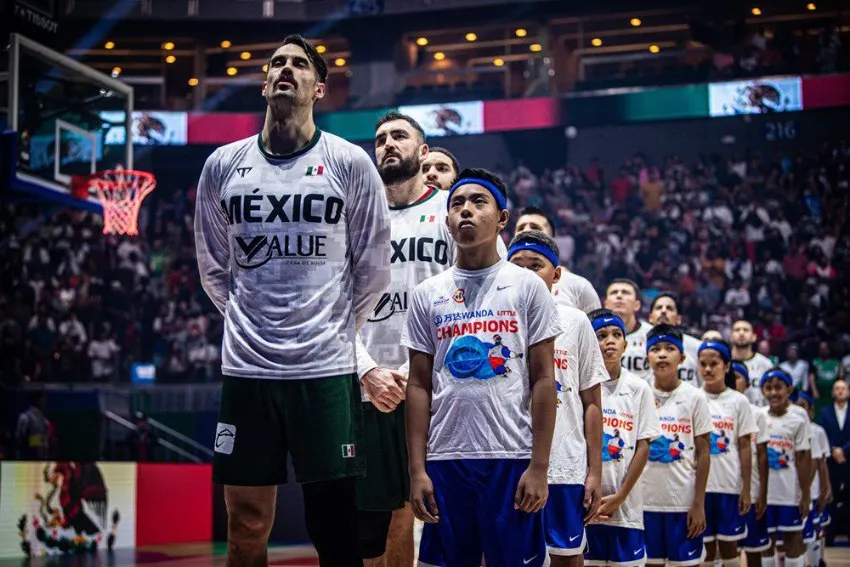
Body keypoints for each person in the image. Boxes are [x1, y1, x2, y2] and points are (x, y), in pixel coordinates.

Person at [194, 34, 392, 567]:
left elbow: (373, 271)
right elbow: (214, 268)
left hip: (326, 372)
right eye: (276, 62)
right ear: (264, 84)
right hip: (247, 371)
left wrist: (331, 330)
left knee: (335, 531)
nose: (286, 69)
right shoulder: (221, 165)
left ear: (318, 87)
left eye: (299, 64)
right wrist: (249, 323)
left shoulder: (350, 163)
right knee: (245, 524)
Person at [401, 168, 562, 567]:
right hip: (445, 459)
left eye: (478, 202)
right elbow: (418, 386)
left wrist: (539, 466)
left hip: (510, 457)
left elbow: (544, 380)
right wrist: (417, 469)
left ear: (502, 218)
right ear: (447, 218)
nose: (466, 211)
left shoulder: (527, 287)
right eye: (457, 204)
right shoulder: (426, 294)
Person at [507, 230, 606, 565]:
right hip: (511, 461)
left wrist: (594, 471)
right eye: (517, 265)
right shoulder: (497, 320)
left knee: (567, 558)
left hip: (566, 466)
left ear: (556, 274)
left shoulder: (576, 321)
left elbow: (592, 402)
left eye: (536, 265)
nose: (525, 273)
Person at [583, 308, 661, 567]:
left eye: (617, 334)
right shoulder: (580, 385)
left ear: (626, 343)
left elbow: (643, 447)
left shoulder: (639, 388)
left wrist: (620, 496)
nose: (610, 341)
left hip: (626, 508)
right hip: (584, 506)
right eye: (602, 335)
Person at [642, 324, 712, 567]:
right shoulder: (638, 393)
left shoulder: (695, 397)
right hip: (644, 502)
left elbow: (704, 453)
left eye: (670, 349)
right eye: (656, 349)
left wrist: (699, 504)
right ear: (646, 357)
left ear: (682, 357)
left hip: (683, 502)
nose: (662, 354)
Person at [698, 340, 758, 567]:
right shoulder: (694, 397)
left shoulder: (739, 401)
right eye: (703, 363)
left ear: (727, 366)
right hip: (700, 488)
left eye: (714, 363)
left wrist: (746, 489)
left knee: (729, 547)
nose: (708, 369)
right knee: (705, 548)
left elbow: (745, 447)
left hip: (728, 486)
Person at [760, 368, 812, 567]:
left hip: (789, 492)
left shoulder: (799, 416)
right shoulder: (759, 415)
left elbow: (803, 457)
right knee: (766, 539)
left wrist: (806, 494)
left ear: (789, 390)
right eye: (769, 388)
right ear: (763, 390)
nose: (774, 393)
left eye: (779, 388)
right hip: (764, 493)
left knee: (793, 538)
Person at [515, 206, 601, 313]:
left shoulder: (579, 286)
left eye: (535, 227)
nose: (526, 231)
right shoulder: (499, 281)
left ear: (552, 238)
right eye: (521, 228)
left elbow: (597, 329)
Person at [732, 361, 772, 567]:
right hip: (726, 488)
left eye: (737, 376)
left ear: (747, 384)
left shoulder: (759, 414)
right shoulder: (713, 407)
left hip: (752, 489)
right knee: (727, 549)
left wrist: (762, 493)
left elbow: (763, 457)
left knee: (754, 548)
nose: (733, 379)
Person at [795, 392, 832, 567]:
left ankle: (817, 562)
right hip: (793, 491)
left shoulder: (817, 431)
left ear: (811, 411)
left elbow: (821, 463)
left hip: (813, 490)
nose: (799, 409)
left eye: (803, 406)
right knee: (797, 533)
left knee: (815, 531)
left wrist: (826, 488)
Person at [817, 378, 849, 545]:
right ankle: (829, 537)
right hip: (831, 463)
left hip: (848, 459)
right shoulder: (824, 412)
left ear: (848, 392)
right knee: (831, 499)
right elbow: (821, 434)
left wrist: (844, 450)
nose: (840, 391)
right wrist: (833, 450)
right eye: (837, 388)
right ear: (832, 392)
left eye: (843, 388)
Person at [604, 279, 653, 380]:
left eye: (625, 292)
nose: (619, 296)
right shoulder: (593, 333)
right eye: (614, 292)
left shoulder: (652, 334)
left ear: (637, 305)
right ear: (606, 304)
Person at [648, 293, 701, 386]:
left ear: (679, 319)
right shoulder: (638, 344)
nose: (663, 311)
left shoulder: (696, 347)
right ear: (650, 317)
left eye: (669, 308)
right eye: (659, 307)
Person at [731, 320, 774, 407]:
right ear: (731, 336)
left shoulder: (766, 363)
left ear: (754, 337)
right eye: (737, 330)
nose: (741, 333)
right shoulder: (723, 362)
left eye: (746, 330)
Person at [15, 392, 50, 460]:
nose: (45, 401)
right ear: (39, 400)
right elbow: (19, 439)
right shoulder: (25, 417)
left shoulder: (43, 419)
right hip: (28, 457)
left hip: (40, 457)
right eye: (43, 399)